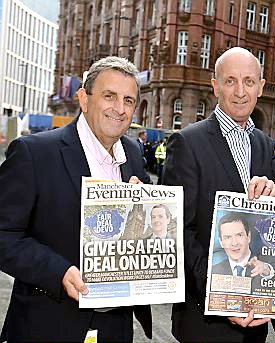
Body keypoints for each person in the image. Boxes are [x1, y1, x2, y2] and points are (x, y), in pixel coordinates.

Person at [0, 56, 152, 342]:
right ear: (84, 98)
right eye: (110, 96)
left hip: (115, 327)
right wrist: (59, 272)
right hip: (49, 324)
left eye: (129, 100)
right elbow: (4, 235)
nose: (119, 109)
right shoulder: (35, 153)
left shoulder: (133, 154)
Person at [163, 47, 275, 343]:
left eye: (249, 81)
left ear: (260, 88)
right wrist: (220, 294)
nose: (240, 91)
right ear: (215, 85)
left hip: (256, 314)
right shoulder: (186, 142)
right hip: (206, 320)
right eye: (230, 81)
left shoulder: (263, 142)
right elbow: (177, 231)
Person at [212, 213, 272, 279]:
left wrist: (267, 271)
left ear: (248, 237)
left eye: (239, 235)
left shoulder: (266, 264)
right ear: (221, 242)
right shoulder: (214, 270)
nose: (234, 243)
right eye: (228, 237)